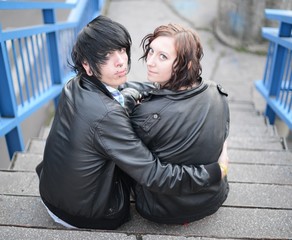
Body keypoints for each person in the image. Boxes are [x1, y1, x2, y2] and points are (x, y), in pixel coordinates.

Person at [36, 15, 228, 230]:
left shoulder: (76, 84)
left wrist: (160, 88)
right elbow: (155, 175)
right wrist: (215, 172)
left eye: (121, 50)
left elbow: (126, 89)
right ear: (88, 65)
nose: (121, 61)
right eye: (106, 56)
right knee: (144, 149)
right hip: (85, 213)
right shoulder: (107, 116)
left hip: (53, 190)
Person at [124, 23, 230, 224]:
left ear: (187, 65)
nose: (150, 62)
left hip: (160, 210)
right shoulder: (217, 93)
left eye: (162, 57)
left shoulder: (147, 114)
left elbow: (141, 166)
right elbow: (223, 135)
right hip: (214, 198)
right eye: (151, 52)